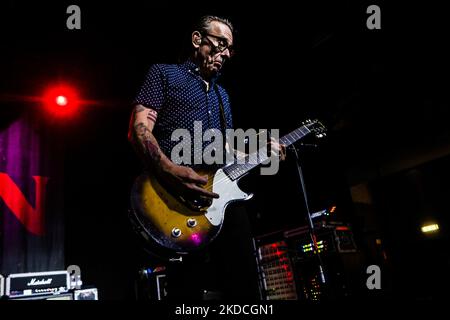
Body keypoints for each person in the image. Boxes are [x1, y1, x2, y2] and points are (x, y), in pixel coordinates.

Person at [128, 15, 285, 300]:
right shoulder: (164, 74)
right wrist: (168, 169)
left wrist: (263, 153)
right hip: (174, 199)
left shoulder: (222, 95)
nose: (225, 54)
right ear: (197, 39)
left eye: (230, 49)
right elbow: (139, 128)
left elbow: (226, 150)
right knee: (186, 289)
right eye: (221, 43)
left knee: (245, 283)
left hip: (221, 199)